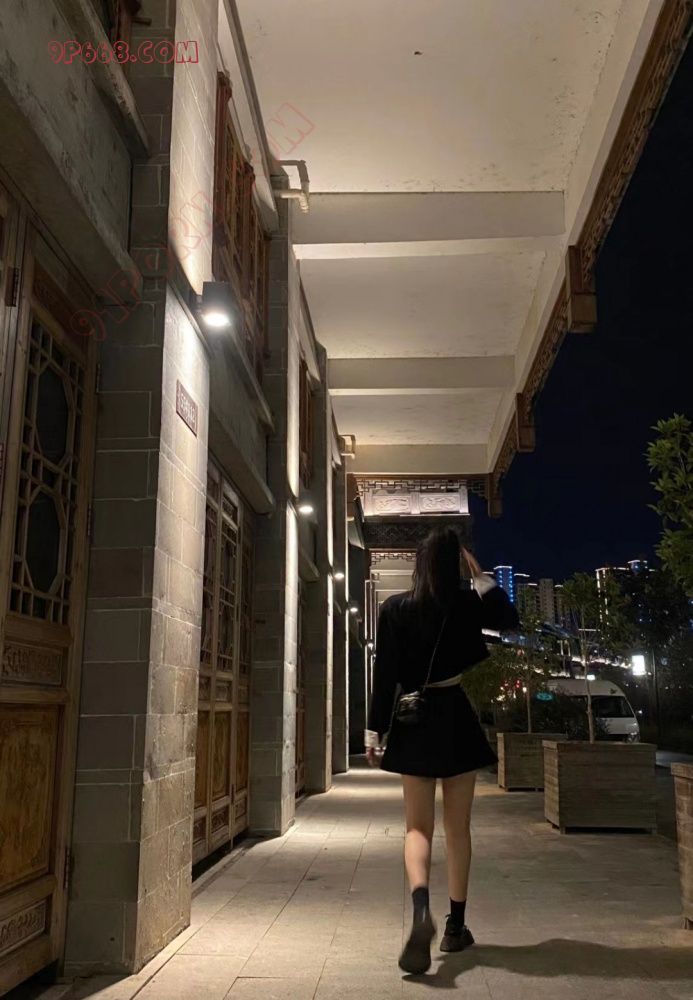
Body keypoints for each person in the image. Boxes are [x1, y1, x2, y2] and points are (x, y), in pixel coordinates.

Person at [364, 527, 519, 976]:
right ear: (456, 564)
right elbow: (508, 619)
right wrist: (481, 576)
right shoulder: (466, 604)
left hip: (414, 720)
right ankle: (456, 926)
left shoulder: (394, 609)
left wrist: (375, 731)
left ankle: (420, 909)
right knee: (458, 829)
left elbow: (385, 674)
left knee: (417, 827)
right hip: (455, 717)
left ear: (418, 563)